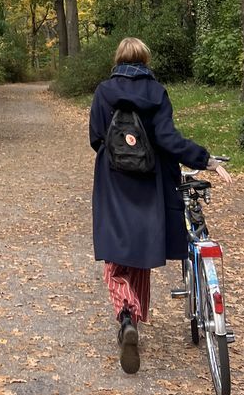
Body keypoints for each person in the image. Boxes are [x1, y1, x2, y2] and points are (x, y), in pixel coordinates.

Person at [89, 36, 232, 374]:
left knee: (116, 255)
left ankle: (126, 316)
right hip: (151, 184)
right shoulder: (156, 93)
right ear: (145, 61)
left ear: (118, 60)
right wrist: (205, 159)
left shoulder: (103, 92)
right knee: (139, 254)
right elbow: (168, 139)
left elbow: (96, 138)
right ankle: (132, 315)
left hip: (114, 183)